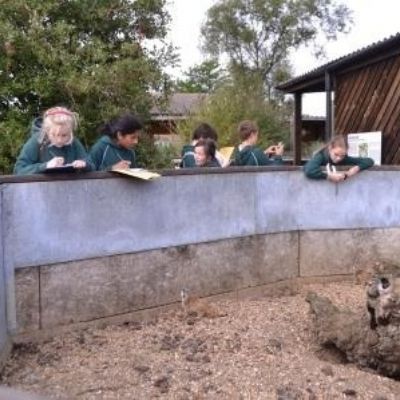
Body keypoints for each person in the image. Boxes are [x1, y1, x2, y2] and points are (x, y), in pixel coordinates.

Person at [14, 106, 93, 175]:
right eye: (54, 135)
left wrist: (84, 164)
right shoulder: (37, 141)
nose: (59, 140)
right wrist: (46, 166)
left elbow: (92, 166)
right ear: (47, 131)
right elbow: (19, 170)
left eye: (64, 135)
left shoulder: (74, 142)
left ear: (70, 132)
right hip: (40, 190)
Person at [304, 135, 374, 181]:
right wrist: (329, 177)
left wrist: (354, 170)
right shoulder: (320, 156)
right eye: (336, 154)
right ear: (330, 148)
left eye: (342, 155)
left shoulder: (344, 159)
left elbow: (369, 161)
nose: (338, 158)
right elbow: (309, 170)